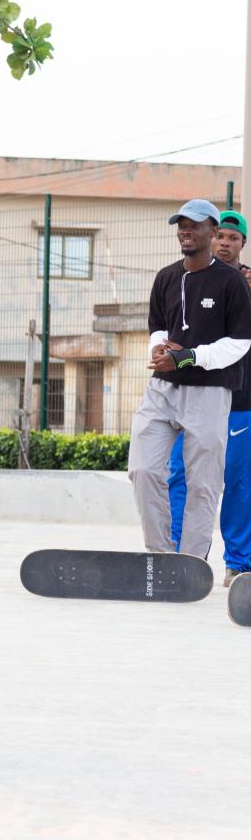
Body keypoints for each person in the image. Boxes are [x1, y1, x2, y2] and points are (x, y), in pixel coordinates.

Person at [128, 198, 251, 560]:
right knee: (142, 470)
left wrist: (188, 357)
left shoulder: (232, 282)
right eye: (181, 225)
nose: (186, 231)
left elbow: (240, 342)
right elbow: (158, 327)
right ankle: (161, 555)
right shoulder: (166, 276)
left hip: (209, 393)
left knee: (203, 485)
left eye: (194, 225)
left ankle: (191, 564)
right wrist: (158, 348)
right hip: (162, 389)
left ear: (211, 231)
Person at [167, 208, 251, 584]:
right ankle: (181, 554)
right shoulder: (186, 280)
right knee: (180, 475)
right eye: (221, 236)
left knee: (237, 482)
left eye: (234, 238)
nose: (225, 243)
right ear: (210, 237)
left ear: (242, 244)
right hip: (189, 397)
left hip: (240, 401)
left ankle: (239, 563)